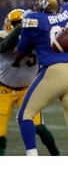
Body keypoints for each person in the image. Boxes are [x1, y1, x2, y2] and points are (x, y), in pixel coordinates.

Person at [13, 0, 68, 156]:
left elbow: (23, 48)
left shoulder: (34, 19)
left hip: (54, 70)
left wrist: (17, 60)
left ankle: (32, 157)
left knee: (25, 115)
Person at [0, 9, 60, 156]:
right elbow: (4, 46)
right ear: (8, 25)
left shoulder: (38, 37)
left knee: (39, 126)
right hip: (3, 89)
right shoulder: (2, 36)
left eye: (25, 22)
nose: (22, 25)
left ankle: (57, 156)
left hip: (27, 88)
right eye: (17, 23)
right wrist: (23, 25)